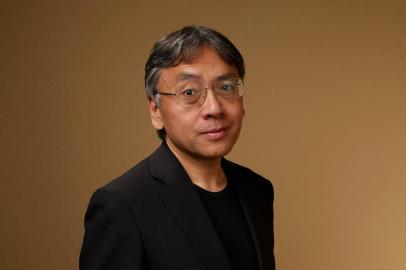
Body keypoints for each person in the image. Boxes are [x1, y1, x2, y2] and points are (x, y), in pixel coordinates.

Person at [80, 25, 275, 270]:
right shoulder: (122, 205)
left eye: (226, 87)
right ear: (155, 110)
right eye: (190, 92)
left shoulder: (257, 190)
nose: (214, 108)